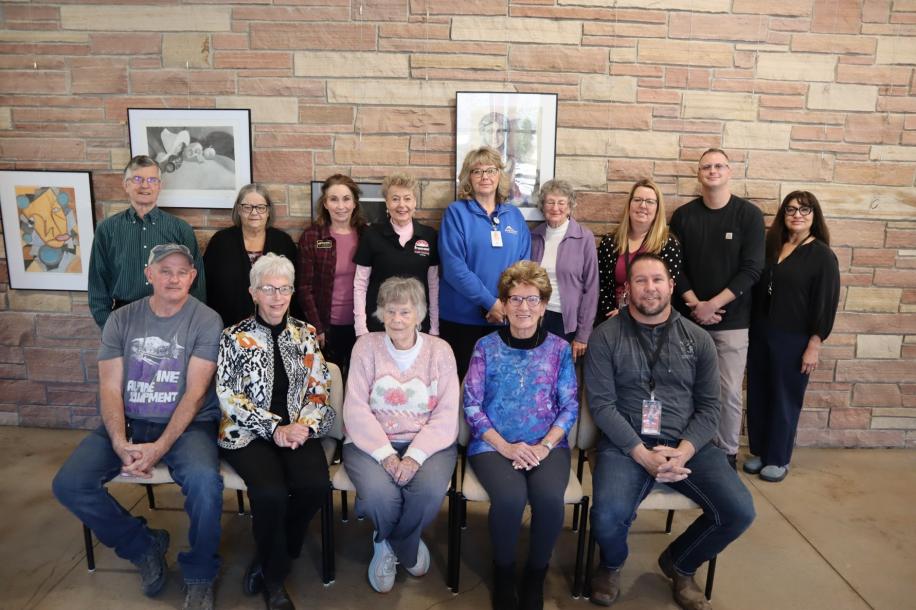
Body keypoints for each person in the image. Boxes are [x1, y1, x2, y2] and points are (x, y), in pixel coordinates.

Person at [53, 243, 224, 610]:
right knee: (69, 484)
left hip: (188, 425)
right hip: (128, 421)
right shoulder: (121, 320)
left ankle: (200, 573)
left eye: (182, 271)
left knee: (206, 485)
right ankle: (142, 545)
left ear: (193, 277)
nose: (174, 278)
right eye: (165, 270)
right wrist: (118, 440)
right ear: (149, 274)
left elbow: (195, 394)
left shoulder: (206, 319)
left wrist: (159, 447)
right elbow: (110, 387)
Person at [585, 253, 755, 610]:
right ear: (627, 289)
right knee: (606, 515)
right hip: (625, 445)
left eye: (657, 280)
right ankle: (611, 563)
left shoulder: (698, 339)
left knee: (739, 511)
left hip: (687, 443)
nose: (650, 288)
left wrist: (685, 450)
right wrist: (641, 453)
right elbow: (602, 405)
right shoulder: (605, 336)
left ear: (671, 286)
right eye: (641, 281)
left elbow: (711, 409)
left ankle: (681, 563)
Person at [217, 253, 335, 610]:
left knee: (315, 486)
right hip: (247, 433)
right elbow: (227, 395)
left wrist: (303, 427)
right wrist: (274, 427)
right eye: (268, 288)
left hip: (298, 430)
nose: (277, 296)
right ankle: (273, 577)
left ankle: (276, 550)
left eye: (284, 289)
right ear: (253, 292)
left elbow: (320, 387)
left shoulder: (305, 334)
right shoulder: (233, 337)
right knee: (269, 493)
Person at [464, 261, 578, 610]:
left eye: (532, 299)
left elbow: (570, 404)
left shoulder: (559, 349)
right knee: (511, 500)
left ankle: (535, 576)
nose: (524, 307)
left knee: (547, 501)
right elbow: (471, 404)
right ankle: (503, 574)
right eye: (515, 299)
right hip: (493, 445)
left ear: (544, 305)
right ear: (504, 303)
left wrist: (544, 447)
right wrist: (506, 446)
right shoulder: (485, 347)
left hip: (547, 445)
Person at [342, 277, 459, 594]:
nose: (397, 320)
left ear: (419, 314)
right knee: (381, 495)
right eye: (390, 311)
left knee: (428, 491)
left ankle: (390, 542)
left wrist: (414, 456)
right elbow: (354, 409)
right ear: (380, 313)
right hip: (370, 443)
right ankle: (400, 545)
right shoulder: (366, 347)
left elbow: (447, 415)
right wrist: (387, 455)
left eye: (405, 312)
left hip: (429, 444)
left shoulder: (440, 351)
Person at [669, 149, 765, 469]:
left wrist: (714, 304)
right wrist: (696, 304)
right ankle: (689, 449)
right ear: (699, 174)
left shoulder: (748, 215)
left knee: (728, 393)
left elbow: (752, 269)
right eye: (706, 166)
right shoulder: (683, 216)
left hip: (733, 321)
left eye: (719, 166)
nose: (713, 171)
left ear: (730, 171)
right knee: (685, 390)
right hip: (689, 319)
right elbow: (675, 267)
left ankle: (726, 454)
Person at [745, 191, 840, 483]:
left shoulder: (822, 255)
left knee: (785, 399)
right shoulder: (773, 246)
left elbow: (826, 302)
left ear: (815, 216)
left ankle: (778, 458)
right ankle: (760, 451)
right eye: (791, 210)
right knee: (759, 394)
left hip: (795, 338)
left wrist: (815, 343)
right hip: (761, 333)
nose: (797, 215)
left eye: (804, 210)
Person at [439, 146, 531, 378]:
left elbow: (524, 266)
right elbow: (454, 267)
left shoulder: (514, 216)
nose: (485, 177)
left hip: (505, 318)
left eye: (490, 170)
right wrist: (490, 303)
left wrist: (505, 305)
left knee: (500, 386)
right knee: (461, 385)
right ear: (468, 177)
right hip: (462, 320)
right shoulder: (456, 213)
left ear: (500, 175)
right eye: (477, 171)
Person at [88, 155, 206, 329]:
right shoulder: (107, 230)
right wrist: (110, 327)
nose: (145, 185)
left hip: (173, 320)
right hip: (124, 320)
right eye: (137, 179)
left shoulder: (180, 229)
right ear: (125, 184)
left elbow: (197, 285)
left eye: (152, 180)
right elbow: (98, 286)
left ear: (159, 186)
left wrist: (188, 324)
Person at [296, 175, 367, 374]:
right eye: (333, 199)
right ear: (325, 203)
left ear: (354, 203)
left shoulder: (366, 235)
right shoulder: (312, 236)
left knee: (358, 383)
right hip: (326, 327)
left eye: (346, 199)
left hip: (360, 326)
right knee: (328, 385)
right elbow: (304, 288)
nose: (340, 205)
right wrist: (317, 328)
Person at [353, 173, 439, 336]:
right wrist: (361, 328)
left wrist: (434, 327)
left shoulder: (429, 236)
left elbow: (433, 286)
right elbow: (360, 284)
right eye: (395, 199)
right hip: (378, 324)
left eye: (407, 198)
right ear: (387, 203)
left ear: (415, 202)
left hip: (418, 325)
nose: (402, 205)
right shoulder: (371, 234)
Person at [204, 184, 299, 328]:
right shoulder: (220, 242)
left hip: (274, 327)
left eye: (261, 207)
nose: (254, 213)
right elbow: (207, 287)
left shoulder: (283, 242)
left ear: (268, 212)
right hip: (228, 327)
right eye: (247, 207)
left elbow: (293, 288)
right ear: (239, 210)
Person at [529, 180, 598, 362]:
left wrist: (583, 335)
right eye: (550, 202)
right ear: (542, 206)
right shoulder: (535, 236)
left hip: (566, 322)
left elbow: (591, 289)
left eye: (561, 203)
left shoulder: (584, 237)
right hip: (536, 317)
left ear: (570, 207)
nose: (555, 208)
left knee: (561, 378)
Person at [596, 179, 682, 322]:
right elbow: (602, 286)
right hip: (612, 319)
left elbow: (665, 291)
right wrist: (613, 315)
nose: (642, 205)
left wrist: (628, 312)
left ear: (657, 208)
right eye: (637, 200)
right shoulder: (610, 242)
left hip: (651, 320)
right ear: (629, 205)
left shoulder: (668, 244)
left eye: (649, 201)